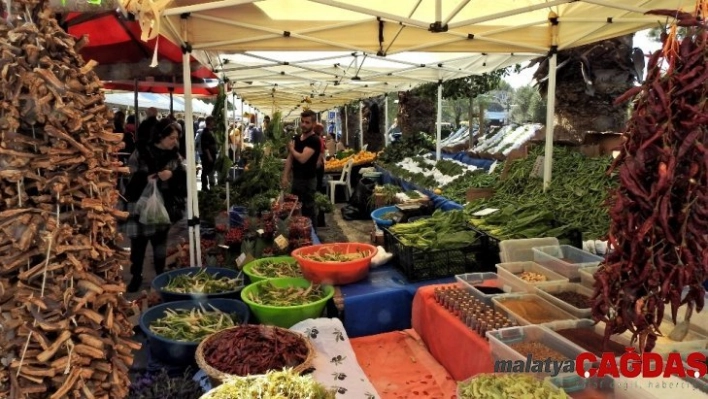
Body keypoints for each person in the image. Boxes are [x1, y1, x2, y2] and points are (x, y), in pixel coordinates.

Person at [123, 119, 187, 292]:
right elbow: (128, 175)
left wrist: (172, 175)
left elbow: (184, 177)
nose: (175, 141)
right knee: (138, 247)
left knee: (160, 246)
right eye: (171, 138)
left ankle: (160, 277)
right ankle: (136, 277)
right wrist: (145, 177)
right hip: (140, 206)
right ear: (160, 136)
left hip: (162, 208)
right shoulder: (141, 152)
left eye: (176, 138)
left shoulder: (174, 155)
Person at [281, 109, 321, 229]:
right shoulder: (297, 138)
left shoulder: (314, 140)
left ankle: (312, 235)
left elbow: (302, 158)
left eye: (307, 122)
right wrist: (285, 176)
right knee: (295, 208)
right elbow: (290, 159)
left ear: (313, 124)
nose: (303, 124)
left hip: (308, 181)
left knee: (308, 209)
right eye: (302, 122)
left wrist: (291, 149)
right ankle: (299, 234)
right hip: (297, 179)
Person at [200, 116, 218, 191]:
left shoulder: (211, 131)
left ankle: (211, 185)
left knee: (210, 170)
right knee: (205, 170)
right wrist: (209, 156)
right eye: (213, 121)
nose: (214, 123)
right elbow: (205, 146)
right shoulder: (205, 132)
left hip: (212, 154)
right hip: (207, 155)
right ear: (209, 122)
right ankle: (204, 186)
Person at [314, 123, 326, 194]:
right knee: (318, 181)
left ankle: (317, 195)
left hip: (317, 161)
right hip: (318, 162)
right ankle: (318, 195)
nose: (322, 131)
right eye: (321, 129)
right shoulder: (318, 138)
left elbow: (322, 150)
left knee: (318, 181)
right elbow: (321, 151)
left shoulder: (317, 138)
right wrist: (319, 160)